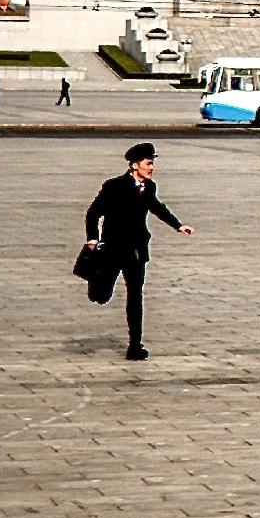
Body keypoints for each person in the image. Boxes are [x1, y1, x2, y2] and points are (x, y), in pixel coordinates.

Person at [83, 143, 194, 360]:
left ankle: (135, 345)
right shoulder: (114, 186)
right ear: (135, 165)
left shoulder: (149, 187)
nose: (152, 167)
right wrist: (93, 239)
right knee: (100, 295)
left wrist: (179, 225)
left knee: (135, 296)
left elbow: (157, 208)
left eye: (152, 163)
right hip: (113, 249)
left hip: (137, 251)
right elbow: (93, 213)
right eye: (148, 163)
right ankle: (97, 286)